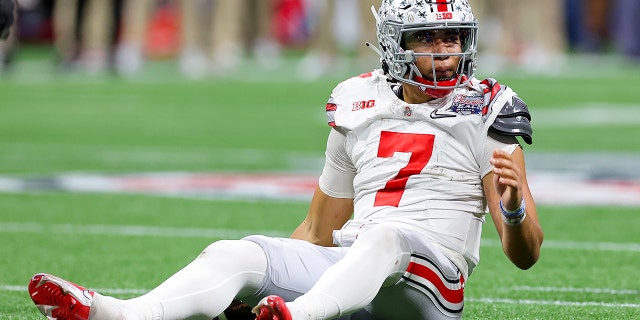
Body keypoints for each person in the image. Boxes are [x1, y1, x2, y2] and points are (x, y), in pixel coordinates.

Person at [27, 0, 544, 319]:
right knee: (235, 253)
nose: (444, 50)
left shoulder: (489, 106)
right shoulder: (355, 101)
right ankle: (115, 313)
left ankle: (293, 318)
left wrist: (516, 208)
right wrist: (264, 274)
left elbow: (525, 255)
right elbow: (320, 229)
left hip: (433, 287)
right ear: (395, 44)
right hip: (352, 270)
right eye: (427, 37)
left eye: (452, 37)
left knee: (387, 238)